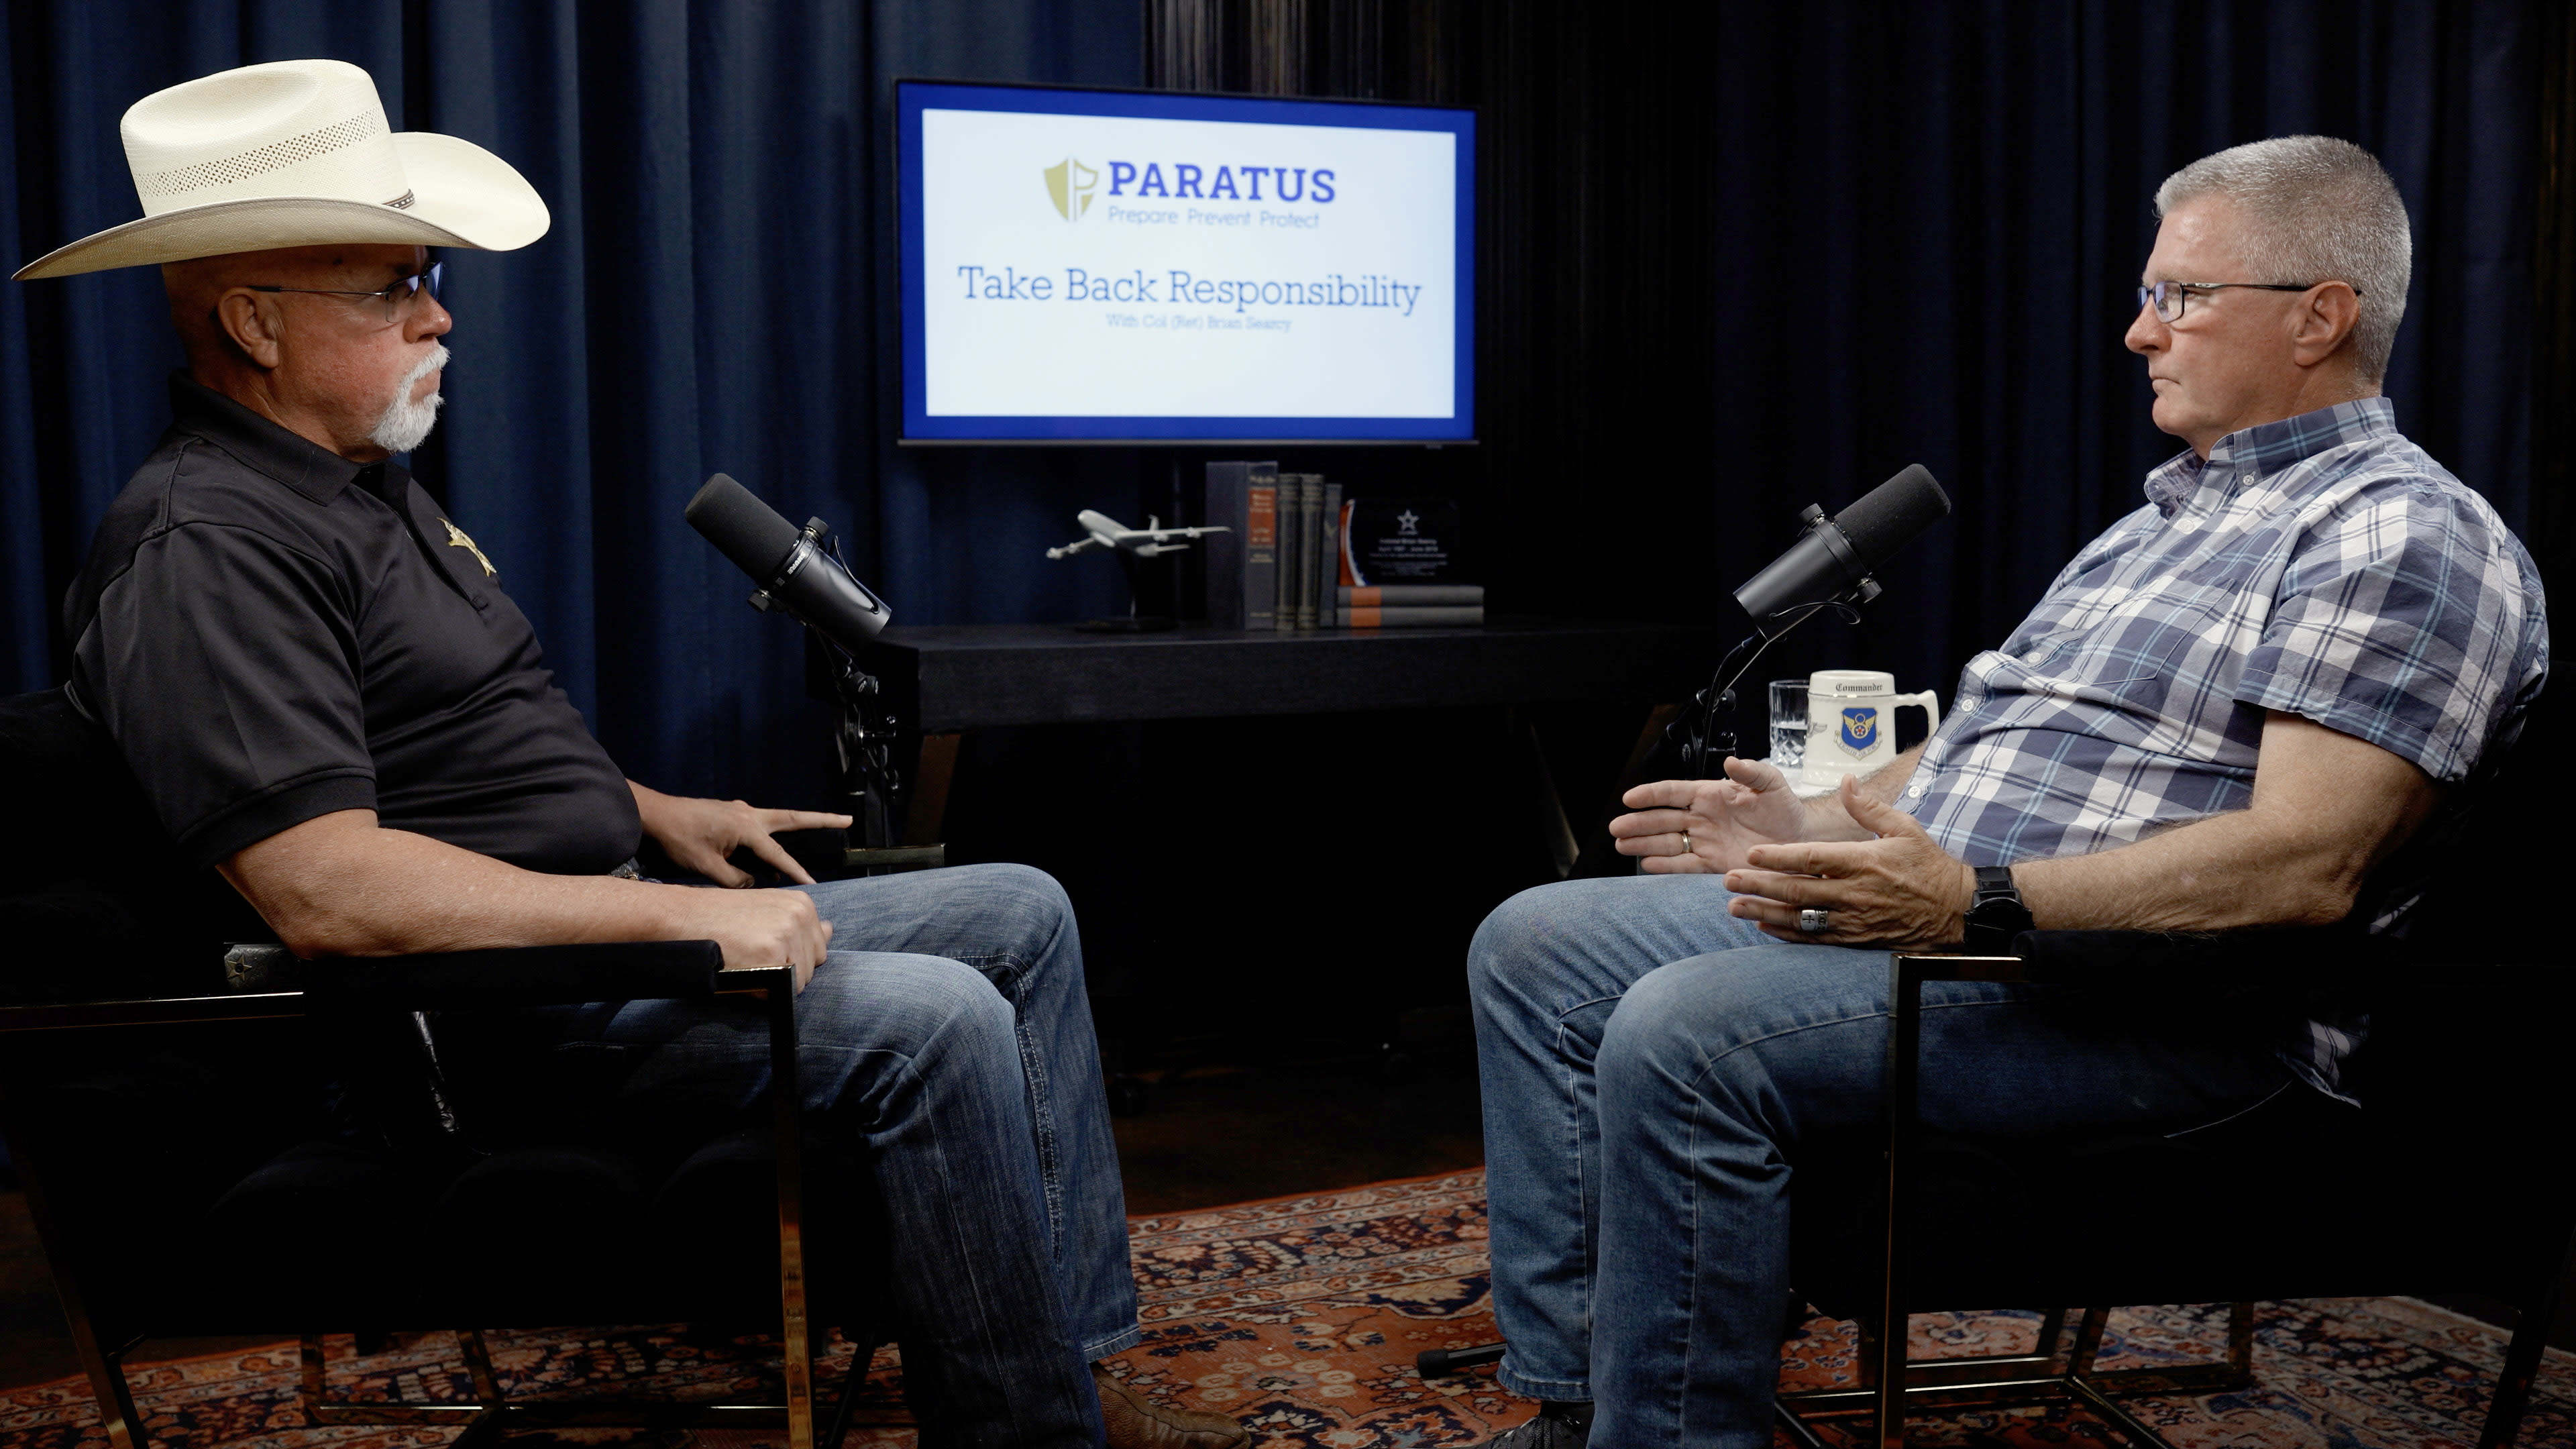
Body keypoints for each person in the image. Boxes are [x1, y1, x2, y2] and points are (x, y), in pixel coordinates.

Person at [22, 59, 1244, 1449]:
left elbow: (447, 755)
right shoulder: (211, 547)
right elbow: (325, 889)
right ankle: (1032, 1434)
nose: (438, 311)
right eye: (388, 286)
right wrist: (681, 921)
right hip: (503, 1029)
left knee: (1018, 910)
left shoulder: (349, 486)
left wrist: (646, 807)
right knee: (941, 1019)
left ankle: (1070, 1360)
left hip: (587, 945)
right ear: (250, 318)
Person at [1465, 135, 2548, 1448]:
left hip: (2145, 1002)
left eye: (2181, 297)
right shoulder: (2164, 521)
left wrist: (1976, 901)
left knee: (1685, 1029)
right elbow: (2002, 733)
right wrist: (1806, 827)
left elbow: (2304, 864)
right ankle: (1578, 1405)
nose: (2141, 332)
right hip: (1963, 933)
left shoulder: (2402, 535)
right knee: (1531, 944)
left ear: (2321, 316)